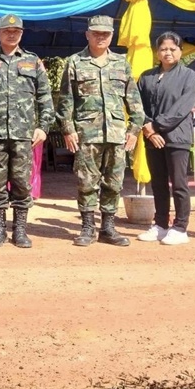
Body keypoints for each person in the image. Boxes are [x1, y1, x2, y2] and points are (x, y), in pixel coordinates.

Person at [0, 14, 55, 249]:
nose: (11, 34)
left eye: (16, 31)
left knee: (22, 183)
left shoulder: (33, 62)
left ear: (22, 33)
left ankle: (20, 230)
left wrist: (44, 127)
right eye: (7, 30)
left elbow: (45, 97)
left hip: (23, 135)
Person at [57, 15, 145, 248]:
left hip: (116, 134)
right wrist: (68, 129)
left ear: (111, 35)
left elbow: (134, 101)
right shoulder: (75, 62)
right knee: (86, 181)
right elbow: (66, 100)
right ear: (87, 34)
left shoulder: (121, 63)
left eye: (105, 33)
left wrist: (134, 129)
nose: (100, 37)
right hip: (87, 133)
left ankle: (108, 228)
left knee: (114, 182)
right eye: (96, 33)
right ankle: (87, 227)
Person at [136, 32, 195, 245]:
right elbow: (137, 105)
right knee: (159, 183)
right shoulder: (146, 77)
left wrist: (156, 125)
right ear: (157, 52)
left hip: (177, 137)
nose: (168, 53)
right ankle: (161, 224)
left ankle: (180, 227)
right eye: (163, 49)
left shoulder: (189, 76)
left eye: (173, 49)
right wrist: (149, 131)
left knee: (179, 184)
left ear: (181, 51)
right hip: (152, 138)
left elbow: (182, 108)